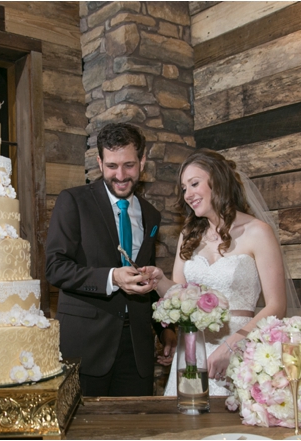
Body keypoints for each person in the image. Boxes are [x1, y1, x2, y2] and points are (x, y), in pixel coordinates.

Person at [144, 149, 299, 396]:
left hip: (241, 345)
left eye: (194, 184)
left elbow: (276, 306)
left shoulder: (258, 232)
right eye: (184, 188)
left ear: (217, 181)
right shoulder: (189, 235)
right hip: (193, 348)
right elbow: (180, 294)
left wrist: (232, 345)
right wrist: (159, 281)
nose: (188, 195)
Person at [45, 123, 177, 396]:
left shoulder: (151, 214)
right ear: (99, 162)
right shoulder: (73, 201)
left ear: (142, 161)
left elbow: (146, 281)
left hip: (137, 349)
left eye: (129, 165)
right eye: (112, 166)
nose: (120, 175)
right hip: (86, 346)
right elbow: (55, 268)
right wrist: (112, 278)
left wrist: (165, 328)